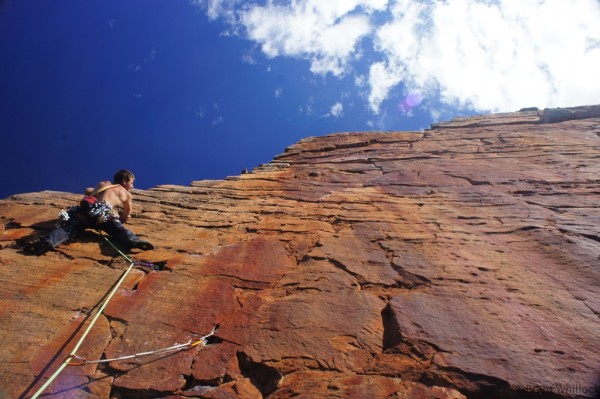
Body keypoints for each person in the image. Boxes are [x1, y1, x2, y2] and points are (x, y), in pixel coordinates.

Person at [24, 169, 154, 255]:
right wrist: (125, 216)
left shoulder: (104, 183)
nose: (132, 186)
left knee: (68, 229)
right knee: (117, 229)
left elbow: (87, 190)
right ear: (125, 181)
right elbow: (127, 211)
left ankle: (46, 242)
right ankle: (132, 241)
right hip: (103, 212)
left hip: (85, 210)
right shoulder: (125, 193)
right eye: (132, 183)